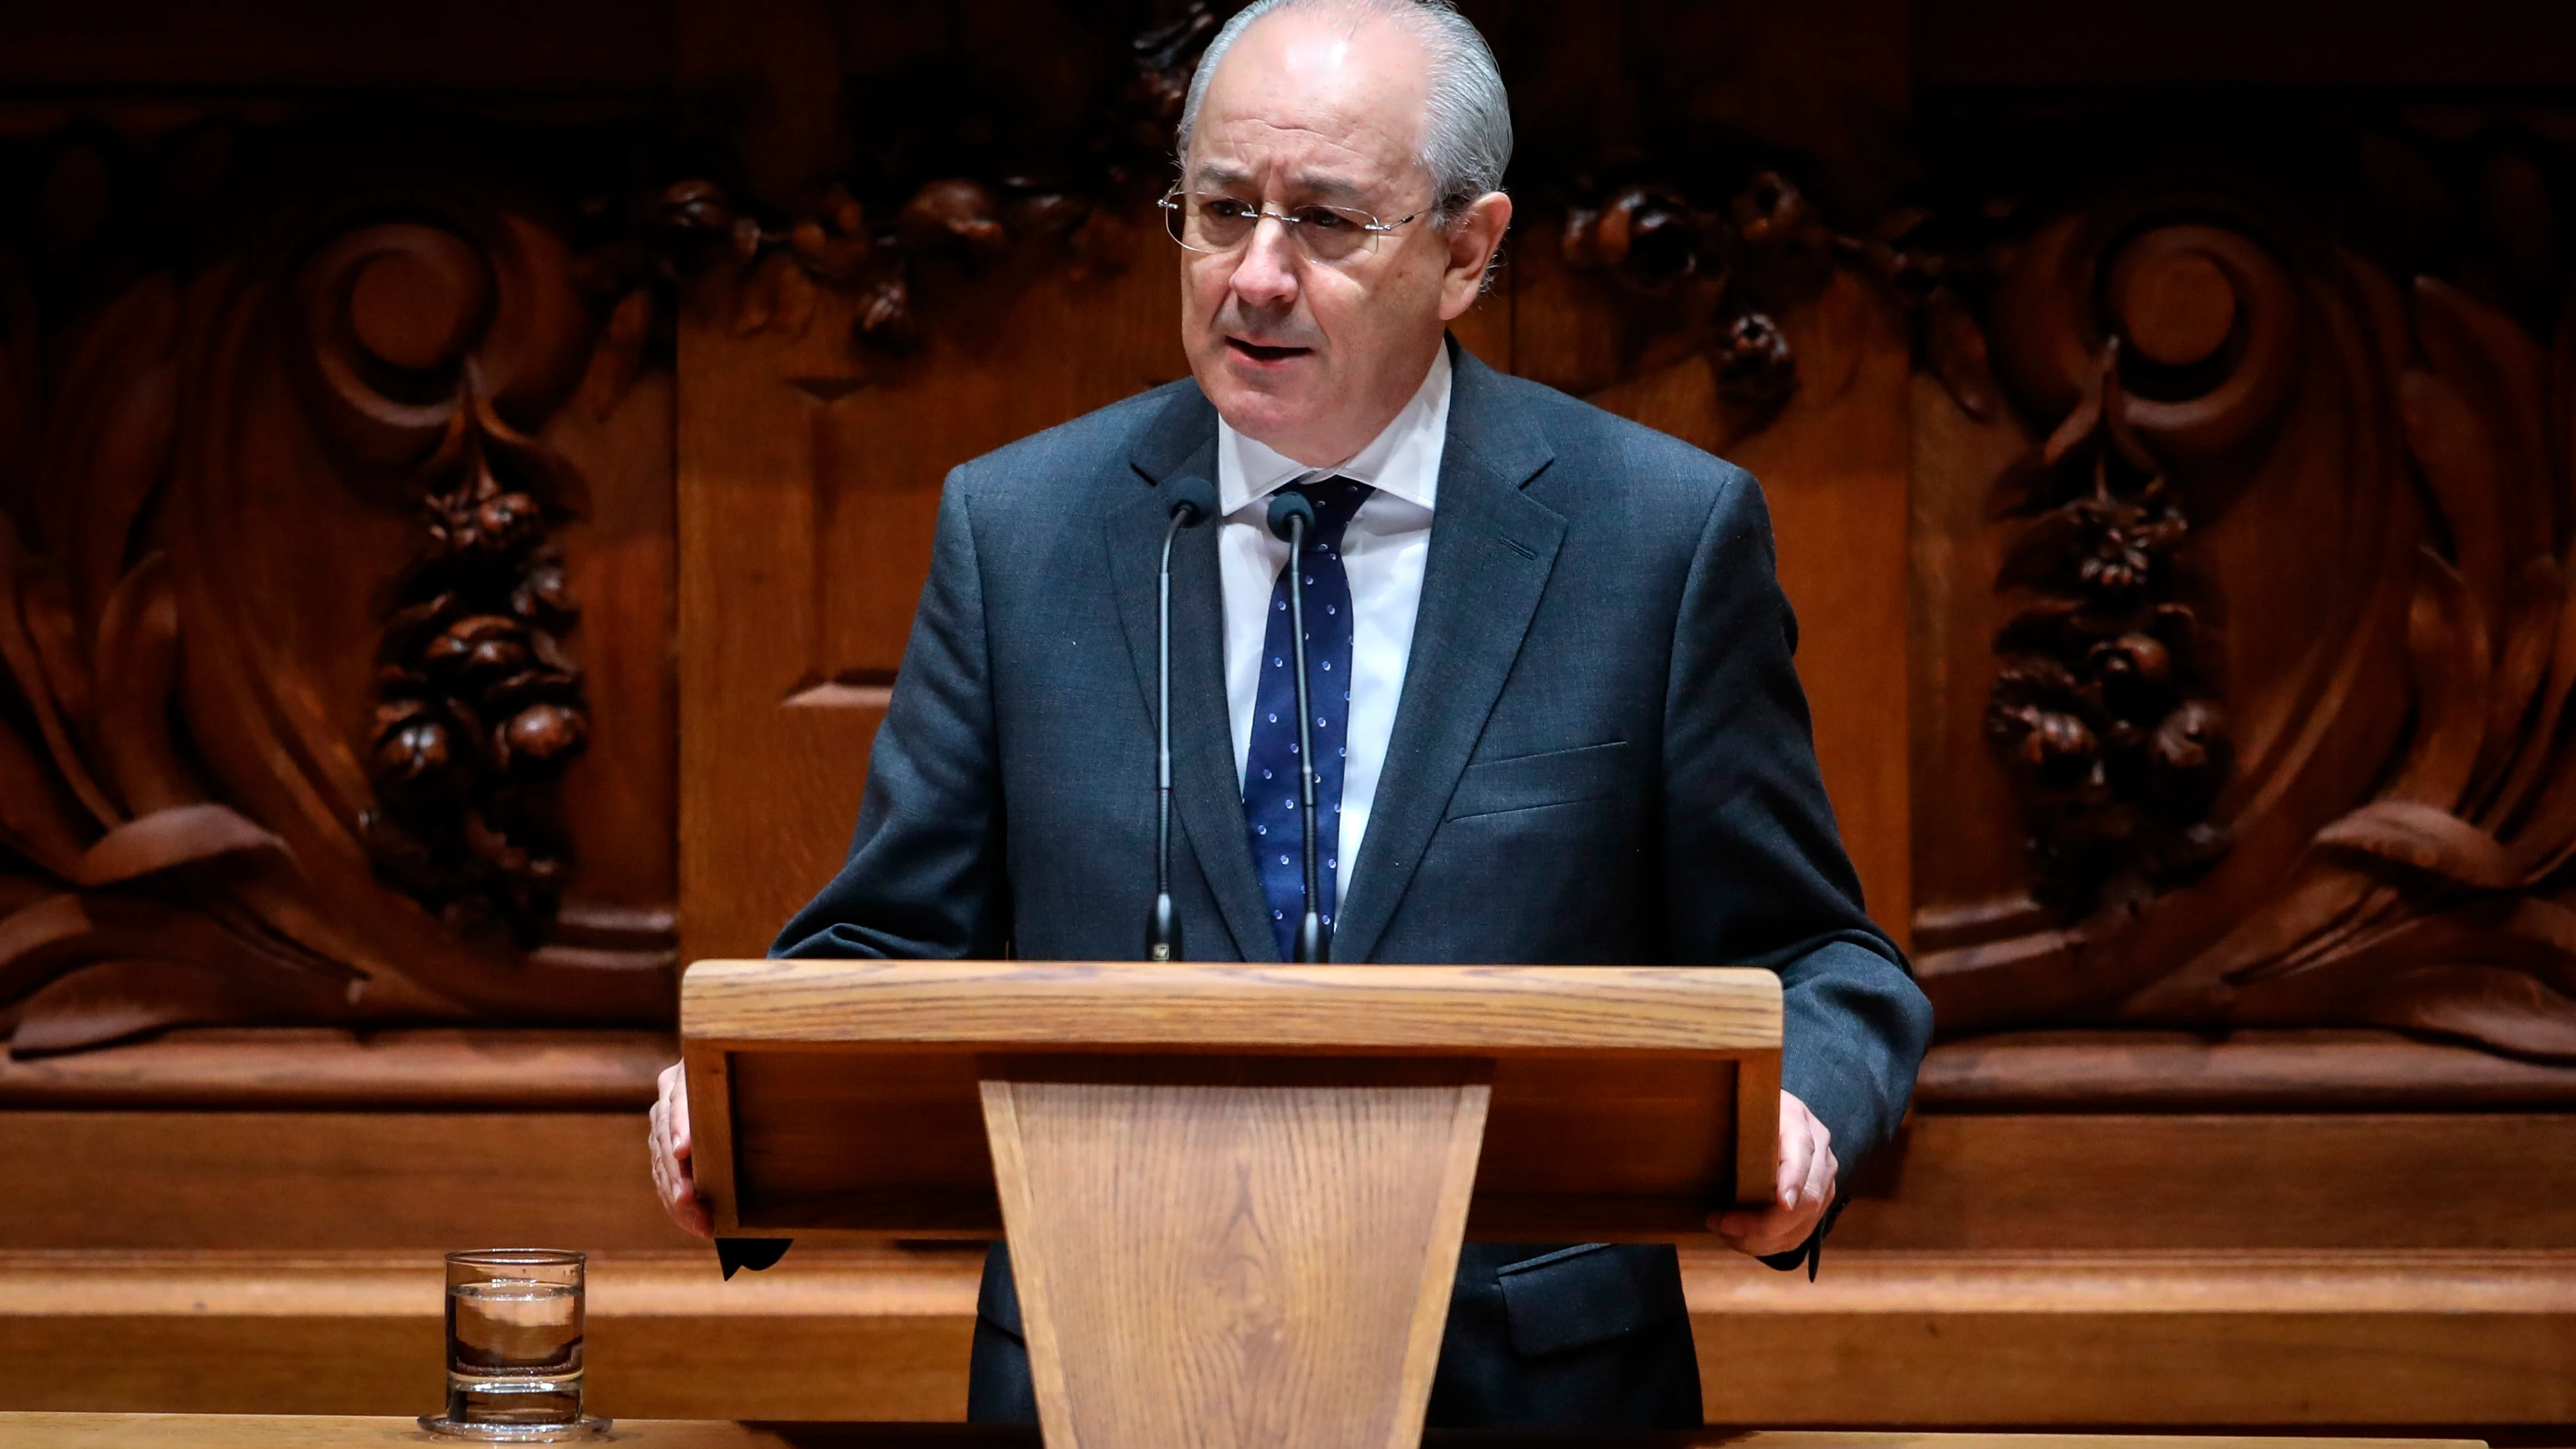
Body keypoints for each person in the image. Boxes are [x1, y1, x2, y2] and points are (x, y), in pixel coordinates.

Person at [649, 0, 1932, 1428]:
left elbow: (1821, 956)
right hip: (1102, 1376)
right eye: (1217, 212)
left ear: (1467, 248)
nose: (1254, 276)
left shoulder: (1658, 539)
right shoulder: (1023, 528)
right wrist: (736, 1107)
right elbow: (886, 941)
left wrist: (1802, 1111)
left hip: (1520, 1390)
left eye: (1325, 221)